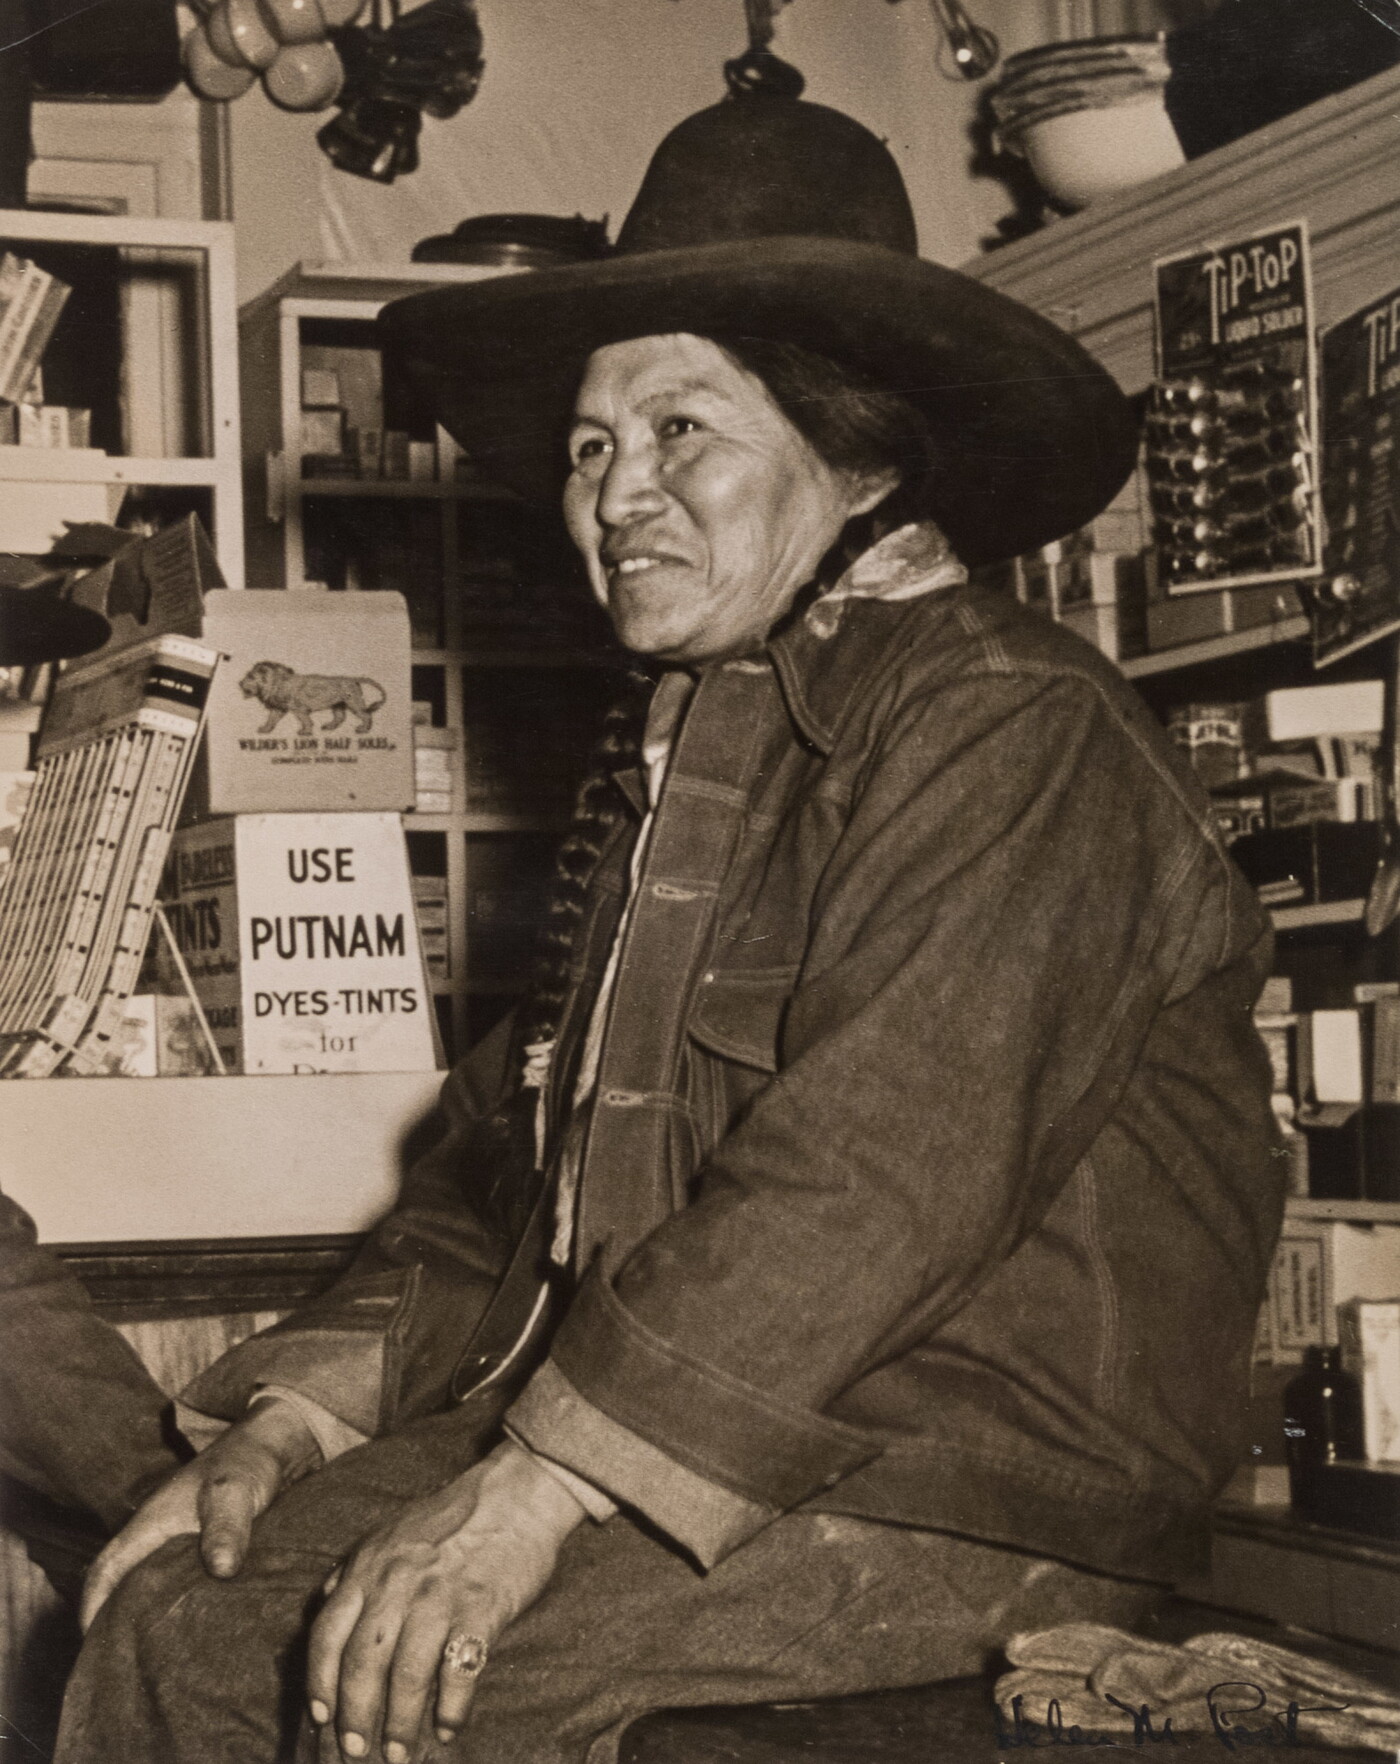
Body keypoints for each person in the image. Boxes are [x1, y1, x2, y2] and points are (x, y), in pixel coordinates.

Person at [56, 81, 1284, 1764]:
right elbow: (503, 1180)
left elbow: (876, 1172)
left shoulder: (1012, 727)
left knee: (313, 1669)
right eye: (589, 447)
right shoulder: (692, 765)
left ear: (860, 457)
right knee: (170, 1602)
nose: (611, 494)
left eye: (680, 433)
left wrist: (526, 1501)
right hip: (727, 1439)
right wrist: (287, 1420)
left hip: (965, 1480)